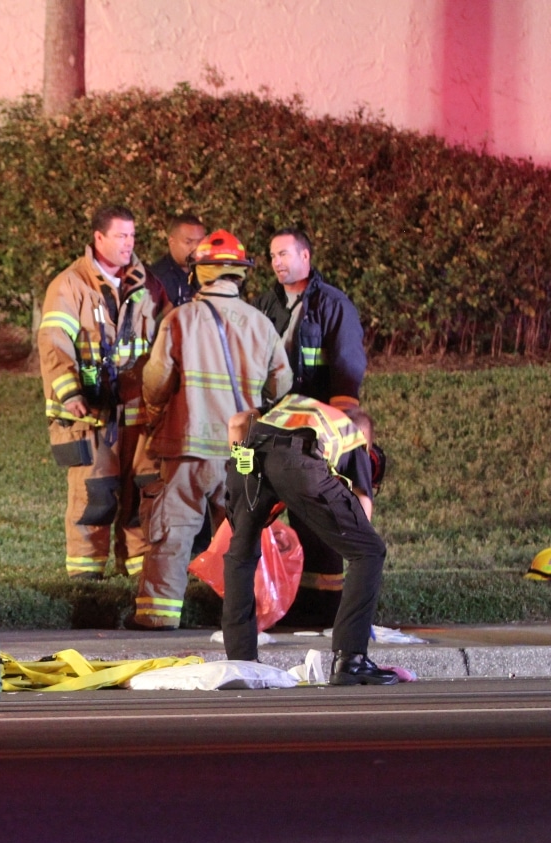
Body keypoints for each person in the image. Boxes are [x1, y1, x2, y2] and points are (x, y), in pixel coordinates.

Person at [132, 230, 292, 629]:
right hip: (240, 451)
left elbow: (155, 382)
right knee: (241, 533)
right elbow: (283, 388)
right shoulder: (261, 324)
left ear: (198, 274)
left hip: (187, 448)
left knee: (173, 530)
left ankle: (158, 618)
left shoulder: (179, 321)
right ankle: (250, 616)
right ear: (239, 275)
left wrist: (155, 414)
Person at [222, 396, 395, 684]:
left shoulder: (294, 405)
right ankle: (351, 660)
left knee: (241, 554)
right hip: (298, 463)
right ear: (367, 438)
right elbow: (361, 519)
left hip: (247, 455)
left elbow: (237, 422)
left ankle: (243, 660)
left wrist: (245, 483)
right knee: (369, 552)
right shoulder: (354, 437)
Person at [38, 205, 159, 580]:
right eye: (121, 236)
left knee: (141, 498)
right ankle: (85, 582)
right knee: (95, 497)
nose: (129, 244)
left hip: (138, 415)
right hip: (90, 415)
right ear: (99, 238)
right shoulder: (70, 285)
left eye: (132, 236)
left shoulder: (146, 284)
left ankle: (137, 578)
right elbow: (54, 343)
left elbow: (165, 340)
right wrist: (70, 392)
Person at [255, 227, 368, 625]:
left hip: (316, 427)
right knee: (276, 513)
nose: (277, 262)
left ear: (306, 256)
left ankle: (325, 606)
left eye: (284, 253)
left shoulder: (333, 305)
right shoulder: (266, 305)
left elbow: (346, 365)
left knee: (317, 513)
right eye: (272, 255)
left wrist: (340, 421)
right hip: (276, 423)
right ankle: (292, 601)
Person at [145, 214, 206, 313]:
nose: (195, 248)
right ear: (171, 241)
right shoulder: (156, 279)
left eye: (199, 242)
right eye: (188, 242)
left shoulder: (208, 274)